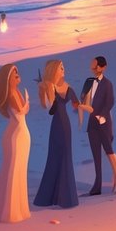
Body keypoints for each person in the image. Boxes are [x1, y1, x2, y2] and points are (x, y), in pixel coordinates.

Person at [34, 59, 89, 209]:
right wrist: (46, 89)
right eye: (60, 67)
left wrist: (84, 112)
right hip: (56, 125)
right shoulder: (49, 87)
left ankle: (66, 198)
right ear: (54, 70)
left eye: (63, 67)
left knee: (65, 157)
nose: (63, 69)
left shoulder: (67, 87)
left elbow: (77, 105)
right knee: (53, 157)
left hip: (65, 125)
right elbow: (48, 108)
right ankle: (47, 197)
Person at [0, 63, 32, 223]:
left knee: (18, 170)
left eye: (17, 72)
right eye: (14, 73)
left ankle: (14, 207)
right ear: (8, 78)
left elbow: (22, 110)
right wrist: (26, 104)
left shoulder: (16, 91)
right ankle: (9, 210)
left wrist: (25, 104)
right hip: (15, 136)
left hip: (21, 133)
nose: (18, 75)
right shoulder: (12, 94)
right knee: (12, 170)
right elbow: (21, 110)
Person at [82, 56, 116, 196]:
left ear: (103, 67)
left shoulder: (107, 84)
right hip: (92, 124)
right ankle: (97, 185)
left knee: (109, 152)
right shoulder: (88, 82)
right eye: (92, 67)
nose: (93, 69)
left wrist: (102, 115)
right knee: (96, 156)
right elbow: (84, 99)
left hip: (103, 123)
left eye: (96, 67)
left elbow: (110, 102)